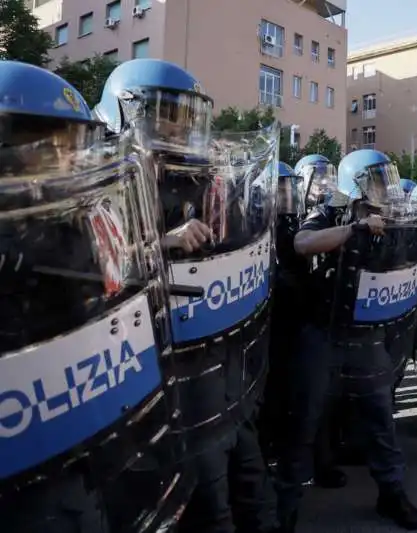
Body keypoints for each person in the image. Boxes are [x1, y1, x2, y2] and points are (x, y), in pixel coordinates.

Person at [0, 61, 191, 533]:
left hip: (88, 434)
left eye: (72, 142)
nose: (67, 157)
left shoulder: (75, 221)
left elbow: (110, 281)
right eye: (49, 144)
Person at [95, 58, 271, 533]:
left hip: (202, 352)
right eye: (163, 115)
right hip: (135, 366)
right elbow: (95, 274)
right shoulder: (101, 188)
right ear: (124, 114)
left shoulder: (194, 184)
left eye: (184, 116)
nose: (175, 128)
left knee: (233, 477)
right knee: (181, 496)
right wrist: (163, 242)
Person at [273, 149, 417, 532]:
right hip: (323, 332)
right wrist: (354, 230)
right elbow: (302, 244)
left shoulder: (392, 220)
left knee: (379, 419)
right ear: (355, 184)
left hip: (367, 335)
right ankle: (285, 505)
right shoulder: (328, 212)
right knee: (303, 422)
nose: (385, 186)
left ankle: (391, 493)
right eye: (377, 178)